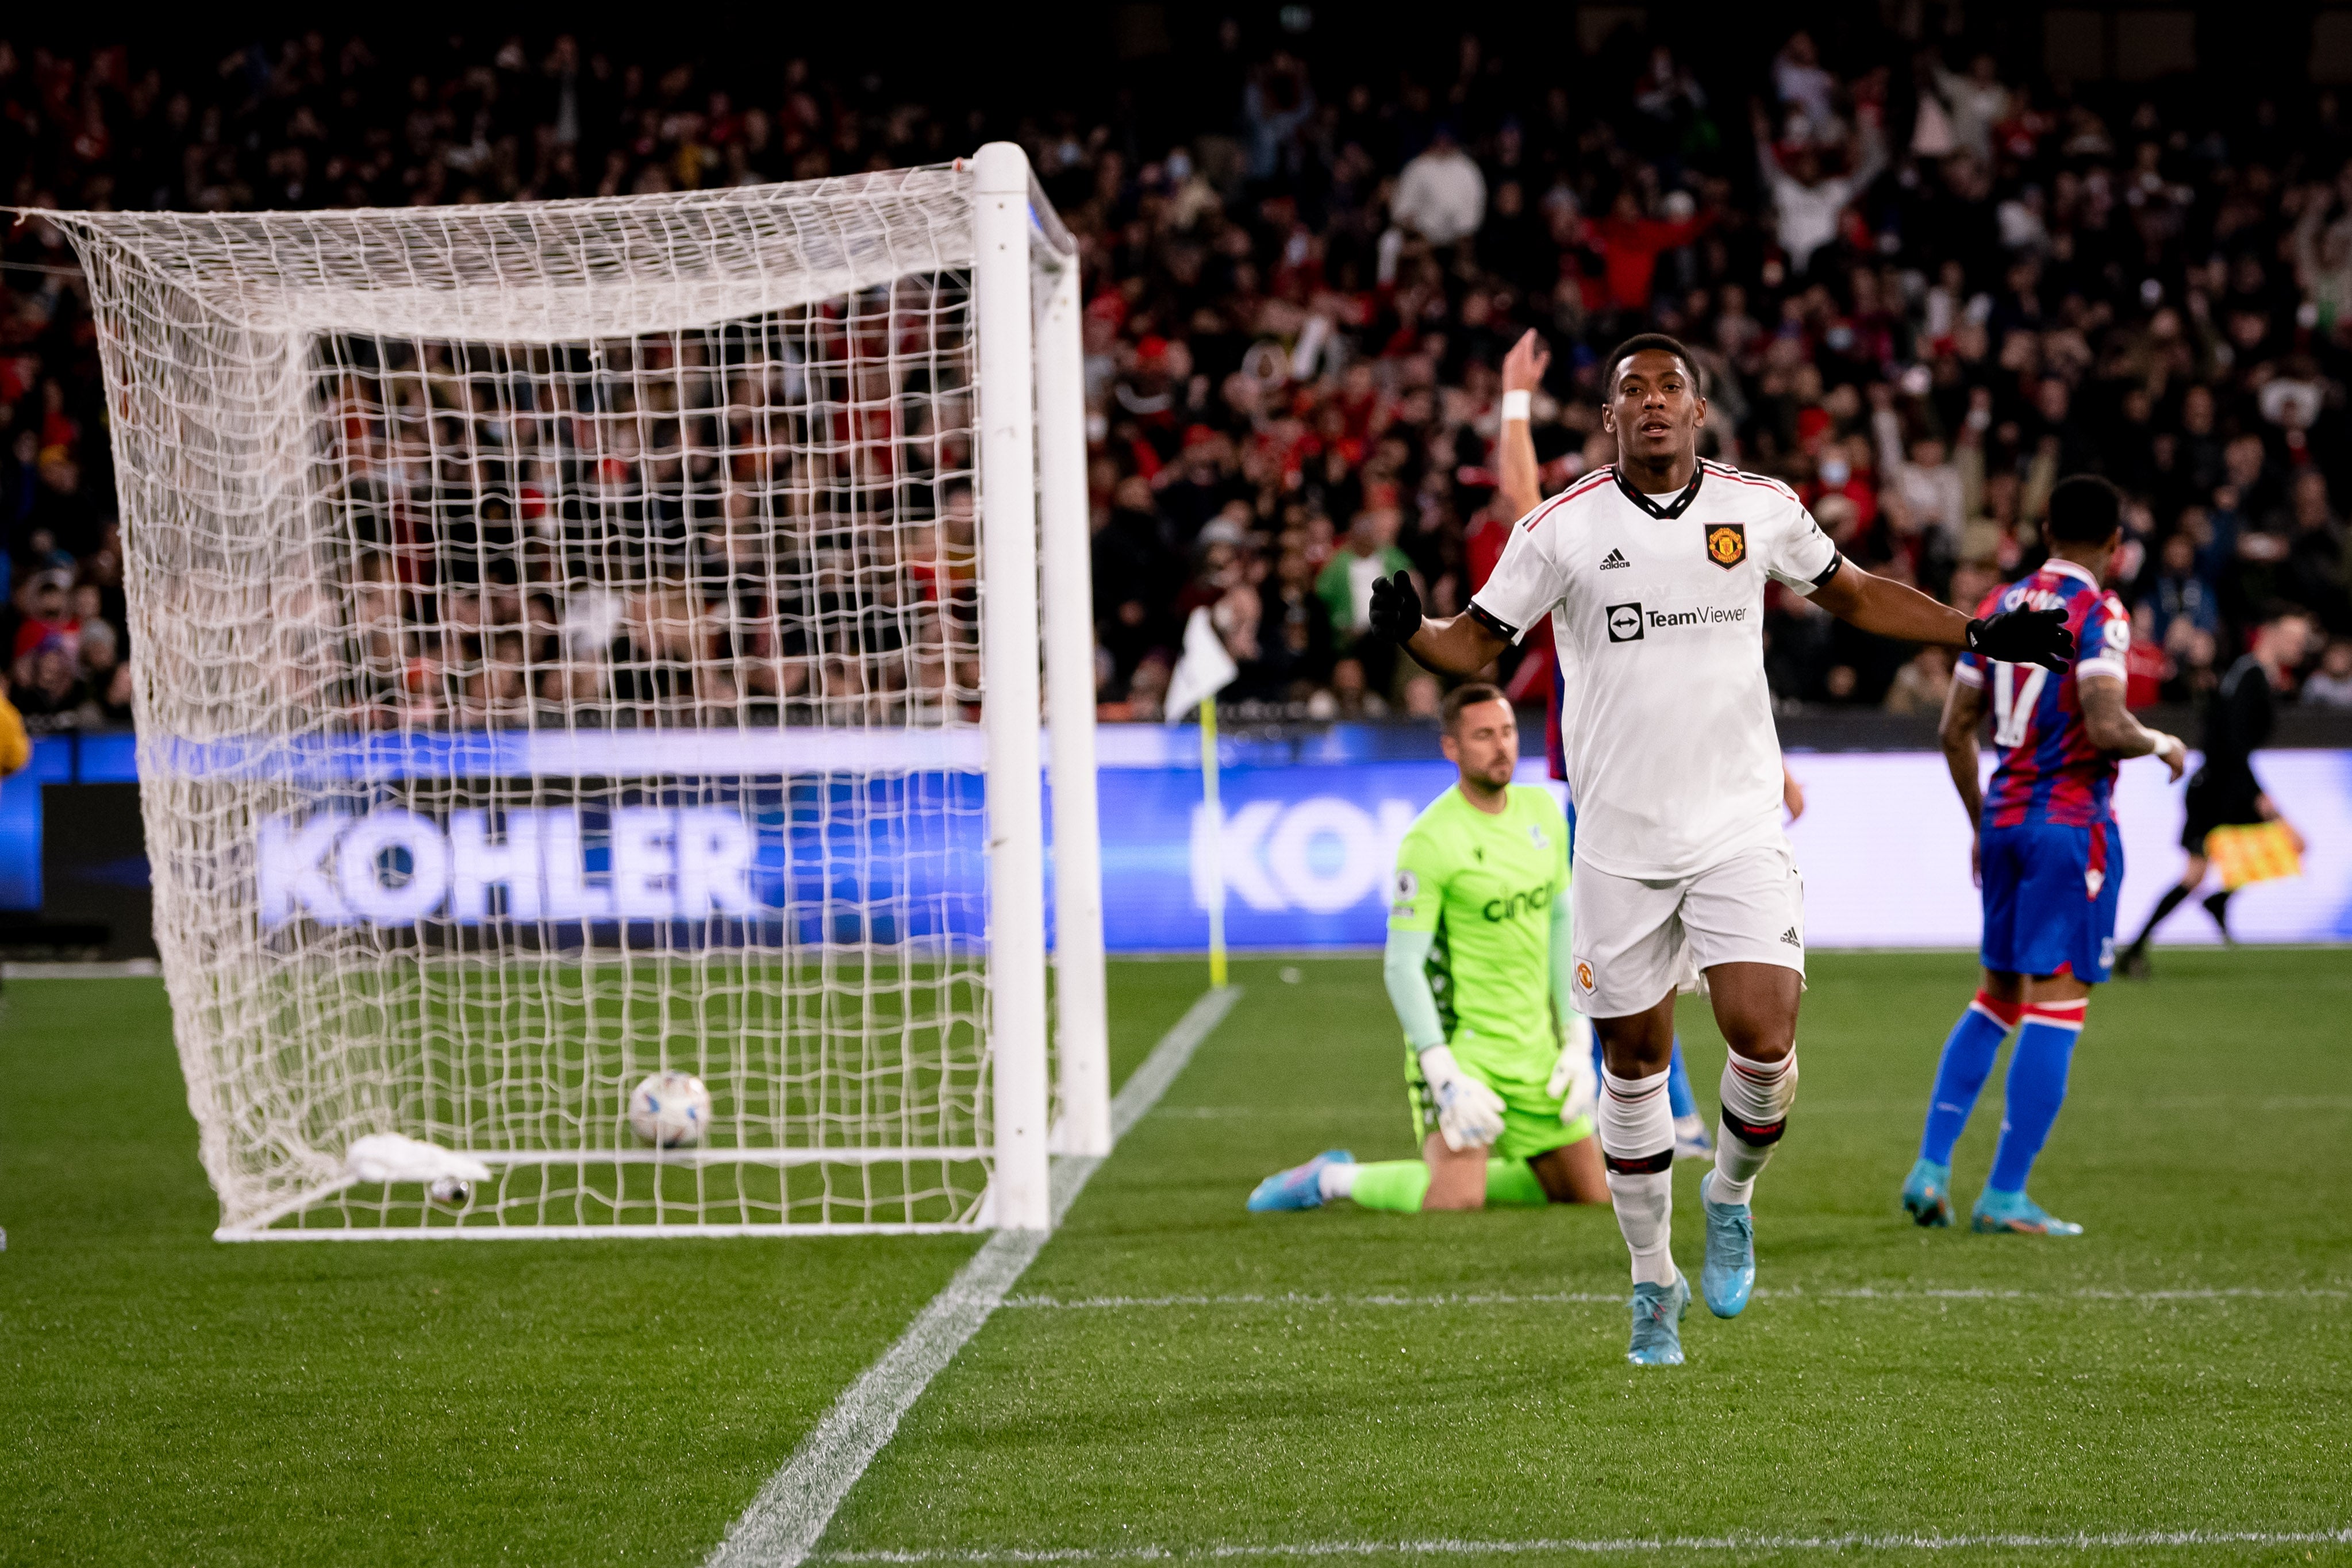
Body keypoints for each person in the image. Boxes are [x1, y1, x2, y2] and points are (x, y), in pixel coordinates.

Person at [1366, 334, 2073, 1366]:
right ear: (1607, 419)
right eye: (1629, 392)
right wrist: (1412, 632)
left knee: (1764, 1031)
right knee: (1636, 1062)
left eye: (1669, 389)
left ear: (1698, 412)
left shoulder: (1759, 506)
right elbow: (1475, 639)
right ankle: (1652, 1278)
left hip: (1737, 828)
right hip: (1617, 845)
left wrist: (1974, 632)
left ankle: (1729, 1194)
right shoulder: (1560, 529)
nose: (1650, 403)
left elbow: (1855, 588)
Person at [1901, 476, 2188, 1238]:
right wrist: (2162, 741)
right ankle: (2004, 1195)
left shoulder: (1996, 605)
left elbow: (1953, 729)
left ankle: (1930, 1169)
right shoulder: (2102, 611)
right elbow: (2104, 721)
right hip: (2070, 827)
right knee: (2056, 1008)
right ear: (2116, 547)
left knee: (1996, 995)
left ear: (2046, 530)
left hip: (2005, 822)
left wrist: (1979, 823)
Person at [1494, 328, 1733, 1162]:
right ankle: (1656, 1116)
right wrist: (1515, 402)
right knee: (1622, 967)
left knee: (1661, 966)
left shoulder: (1700, 541)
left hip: (1694, 789)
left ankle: (1669, 1116)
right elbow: (1521, 498)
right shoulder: (1571, 539)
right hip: (1605, 794)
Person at [1248, 683, 1609, 1215]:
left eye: (1507, 732)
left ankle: (1489, 1169)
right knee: (1455, 1201)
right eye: (1483, 736)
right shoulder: (1430, 841)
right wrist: (1441, 1070)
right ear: (1452, 749)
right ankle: (1333, 1178)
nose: (1501, 746)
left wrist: (1576, 1040)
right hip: (1465, 1052)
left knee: (1593, 1195)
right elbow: (1403, 966)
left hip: (1535, 1050)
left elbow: (1562, 923)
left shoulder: (1544, 813)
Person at [2117, 606, 2316, 971]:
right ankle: (2136, 950)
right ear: (2268, 634)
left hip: (2224, 784)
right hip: (2217, 789)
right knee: (2199, 874)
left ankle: (2213, 904)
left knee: (2281, 848)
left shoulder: (2253, 675)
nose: (2298, 646)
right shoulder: (2249, 676)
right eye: (2292, 637)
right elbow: (2230, 743)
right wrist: (2260, 797)